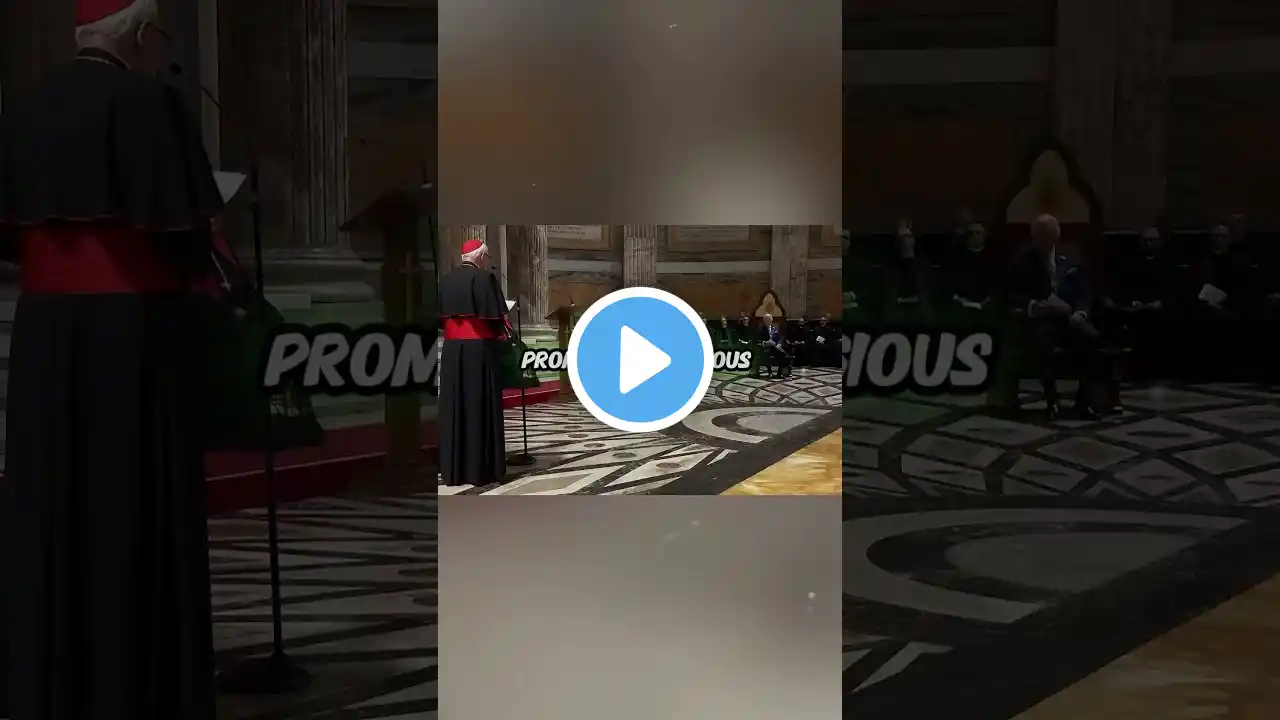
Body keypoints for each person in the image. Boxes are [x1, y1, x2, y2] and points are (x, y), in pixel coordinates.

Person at [0, 1, 224, 718]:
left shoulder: (25, 107)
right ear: (138, 31)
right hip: (132, 337)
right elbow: (185, 239)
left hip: (44, 338)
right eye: (159, 34)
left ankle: (55, 686)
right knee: (133, 506)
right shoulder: (149, 103)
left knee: (54, 505)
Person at [1008, 215, 1106, 418]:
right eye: (1037, 235)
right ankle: (1051, 401)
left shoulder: (1071, 256)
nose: (1040, 240)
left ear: (1055, 236)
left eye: (1045, 236)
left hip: (1070, 318)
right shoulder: (1023, 261)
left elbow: (1084, 291)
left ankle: (1084, 402)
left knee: (1092, 338)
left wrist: (1081, 312)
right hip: (1042, 321)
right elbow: (1013, 295)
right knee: (1043, 343)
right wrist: (1033, 306)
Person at [438, 239, 512, 486]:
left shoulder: (446, 280)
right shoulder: (485, 279)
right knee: (480, 406)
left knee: (455, 406)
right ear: (480, 256)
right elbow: (499, 320)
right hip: (480, 352)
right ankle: (481, 470)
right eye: (486, 257)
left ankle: (454, 470)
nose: (486, 262)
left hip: (452, 353)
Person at [1104, 226, 1181, 378]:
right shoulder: (1129, 263)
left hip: (1161, 309)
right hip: (1135, 309)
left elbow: (1174, 290)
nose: (1148, 244)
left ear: (1159, 242)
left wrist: (1160, 302)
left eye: (1152, 240)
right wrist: (1132, 301)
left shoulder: (1169, 264)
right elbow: (1121, 287)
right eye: (1145, 240)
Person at [757, 313, 792, 379]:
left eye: (770, 319)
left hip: (774, 348)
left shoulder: (775, 329)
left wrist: (779, 344)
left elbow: (780, 338)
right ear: (764, 320)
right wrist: (765, 342)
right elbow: (757, 340)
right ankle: (770, 372)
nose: (769, 321)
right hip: (765, 348)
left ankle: (780, 373)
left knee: (782, 354)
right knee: (766, 354)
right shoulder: (760, 329)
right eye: (767, 319)